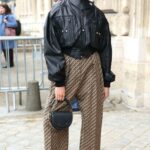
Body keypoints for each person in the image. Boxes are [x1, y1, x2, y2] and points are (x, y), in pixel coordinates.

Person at [43, 0, 115, 150]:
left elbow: (105, 49)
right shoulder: (57, 11)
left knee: (93, 117)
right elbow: (52, 48)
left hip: (92, 65)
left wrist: (106, 82)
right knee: (55, 115)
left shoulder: (98, 15)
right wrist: (58, 82)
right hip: (66, 64)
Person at [0, 4, 17, 68]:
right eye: (0, 8)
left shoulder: (10, 16)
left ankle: (11, 64)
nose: (0, 10)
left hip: (8, 36)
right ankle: (9, 63)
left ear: (6, 9)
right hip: (2, 37)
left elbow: (15, 24)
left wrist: (6, 22)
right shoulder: (1, 16)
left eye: (2, 8)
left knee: (9, 50)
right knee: (4, 50)